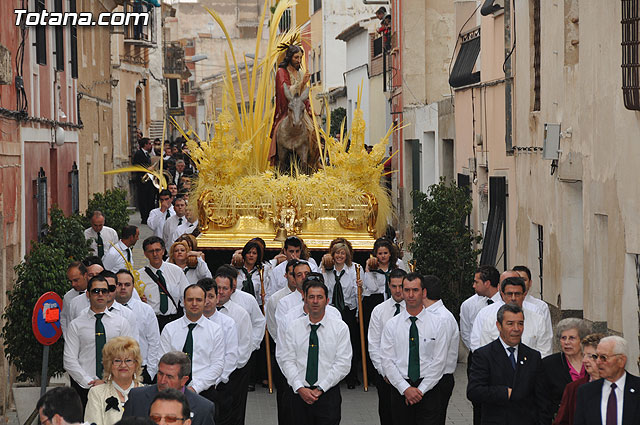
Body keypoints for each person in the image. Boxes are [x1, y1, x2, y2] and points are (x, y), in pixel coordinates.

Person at [276, 278, 352, 424]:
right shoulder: (293, 327)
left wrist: (320, 389)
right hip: (298, 393)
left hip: (328, 394)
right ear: (304, 299)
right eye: (311, 297)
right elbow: (287, 360)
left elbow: (343, 363)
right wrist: (299, 387)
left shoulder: (340, 328)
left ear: (327, 300)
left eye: (319, 297)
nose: (315, 301)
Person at [380, 273, 449, 425]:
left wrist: (421, 390)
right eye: (407, 290)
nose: (411, 295)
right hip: (400, 389)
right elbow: (387, 360)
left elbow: (439, 361)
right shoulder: (392, 325)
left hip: (429, 389)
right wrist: (405, 389)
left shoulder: (438, 324)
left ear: (424, 293)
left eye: (415, 290)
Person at [467, 303, 550, 425]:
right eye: (510, 324)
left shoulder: (533, 356)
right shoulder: (484, 355)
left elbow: (542, 399)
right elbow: (474, 391)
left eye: (520, 323)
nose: (516, 329)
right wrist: (505, 393)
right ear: (499, 326)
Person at [64, 275, 135, 406]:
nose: (100, 294)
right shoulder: (76, 325)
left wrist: (111, 380)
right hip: (84, 388)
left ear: (109, 294)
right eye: (96, 291)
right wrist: (89, 382)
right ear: (88, 294)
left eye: (104, 291)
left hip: (116, 386)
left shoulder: (121, 323)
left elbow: (129, 356)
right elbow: (69, 360)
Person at [159, 284, 225, 396]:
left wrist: (195, 388)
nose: (194, 304)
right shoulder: (169, 329)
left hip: (204, 391)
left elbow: (217, 365)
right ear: (183, 302)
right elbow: (161, 360)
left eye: (198, 300)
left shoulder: (215, 330)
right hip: (172, 390)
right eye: (190, 300)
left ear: (205, 302)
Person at [122, 352, 215, 425]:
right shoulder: (137, 397)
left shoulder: (203, 408)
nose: (162, 381)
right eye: (160, 373)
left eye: (169, 377)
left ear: (184, 380)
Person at [470, 275, 552, 357]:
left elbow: (544, 353)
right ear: (502, 295)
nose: (513, 298)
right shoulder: (490, 320)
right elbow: (485, 353)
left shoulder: (537, 320)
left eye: (517, 294)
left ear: (524, 295)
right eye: (509, 294)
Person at [214, 267, 253, 425]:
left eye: (225, 288)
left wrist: (228, 370)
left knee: (233, 414)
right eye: (217, 288)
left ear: (232, 290)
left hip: (233, 373)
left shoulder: (240, 313)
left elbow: (244, 346)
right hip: (208, 373)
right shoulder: (203, 311)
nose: (221, 292)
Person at [320, 241, 362, 389]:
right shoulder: (326, 269)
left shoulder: (354, 269)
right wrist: (324, 270)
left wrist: (358, 312)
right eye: (337, 253)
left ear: (347, 255)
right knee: (331, 342)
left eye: (342, 253)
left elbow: (358, 294)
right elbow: (323, 288)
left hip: (347, 310)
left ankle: (351, 377)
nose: (339, 256)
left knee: (350, 343)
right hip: (331, 310)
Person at [368, 268, 406, 425]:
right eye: (394, 286)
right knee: (387, 413)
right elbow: (374, 344)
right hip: (385, 375)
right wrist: (385, 372)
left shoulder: (416, 309)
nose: (397, 291)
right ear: (388, 286)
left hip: (407, 374)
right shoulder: (379, 311)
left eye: (401, 286)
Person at [574, 335, 640, 425]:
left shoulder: (637, 388)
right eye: (596, 357)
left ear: (621, 360)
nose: (598, 362)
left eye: (603, 358)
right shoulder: (586, 392)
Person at [200, 277, 239, 425]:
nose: (207, 301)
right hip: (194, 383)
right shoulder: (191, 322)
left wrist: (214, 380)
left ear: (217, 298)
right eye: (204, 297)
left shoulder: (228, 323)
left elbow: (231, 356)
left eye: (211, 296)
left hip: (219, 385)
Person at [264, 259, 298, 425]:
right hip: (284, 353)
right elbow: (272, 327)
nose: (297, 278)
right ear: (286, 275)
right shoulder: (276, 299)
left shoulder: (311, 297)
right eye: (294, 274)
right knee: (285, 398)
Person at [423, 275, 460, 425]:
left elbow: (438, 356)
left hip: (438, 379)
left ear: (423, 292)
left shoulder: (442, 318)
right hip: (432, 378)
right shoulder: (430, 314)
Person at [269, 44, 313, 167]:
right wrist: (301, 83)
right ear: (289, 57)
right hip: (287, 109)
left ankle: (314, 158)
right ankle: (278, 158)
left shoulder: (300, 73)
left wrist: (308, 107)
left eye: (300, 57)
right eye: (296, 57)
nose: (299, 61)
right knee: (279, 129)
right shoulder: (281, 72)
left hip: (300, 109)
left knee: (313, 130)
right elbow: (285, 91)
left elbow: (303, 93)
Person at [115, 269, 161, 383]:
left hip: (141, 367)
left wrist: (151, 371)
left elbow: (154, 342)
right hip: (114, 367)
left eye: (127, 284)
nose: (123, 288)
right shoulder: (107, 310)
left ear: (133, 286)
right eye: (119, 284)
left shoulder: (146, 310)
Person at [85, 337, 143, 425]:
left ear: (136, 364)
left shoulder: (146, 393)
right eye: (117, 361)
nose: (123, 365)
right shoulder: (96, 393)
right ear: (109, 365)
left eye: (128, 360)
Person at [542, 318, 591, 417]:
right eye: (563, 338)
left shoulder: (592, 362)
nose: (566, 342)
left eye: (572, 338)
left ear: (582, 340)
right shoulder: (548, 364)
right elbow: (543, 401)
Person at [138, 236, 189, 331]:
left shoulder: (176, 271)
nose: (155, 254)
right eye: (151, 251)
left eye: (157, 250)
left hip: (173, 321)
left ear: (163, 251)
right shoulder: (139, 276)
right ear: (145, 254)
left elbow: (186, 297)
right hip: (152, 322)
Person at [553, 333, 605, 425]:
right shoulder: (573, 388)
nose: (584, 360)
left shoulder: (618, 385)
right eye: (583, 355)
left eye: (590, 356)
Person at [62, 261, 89, 335]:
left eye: (76, 280)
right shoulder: (68, 297)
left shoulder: (98, 293)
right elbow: (64, 318)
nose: (73, 284)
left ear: (85, 275)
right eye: (71, 281)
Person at [133, 137, 155, 224]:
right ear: (145, 145)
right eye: (149, 144)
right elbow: (136, 165)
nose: (151, 145)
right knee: (143, 200)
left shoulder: (147, 154)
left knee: (149, 199)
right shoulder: (139, 153)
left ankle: (149, 217)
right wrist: (147, 169)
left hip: (148, 180)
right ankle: (144, 218)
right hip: (142, 181)